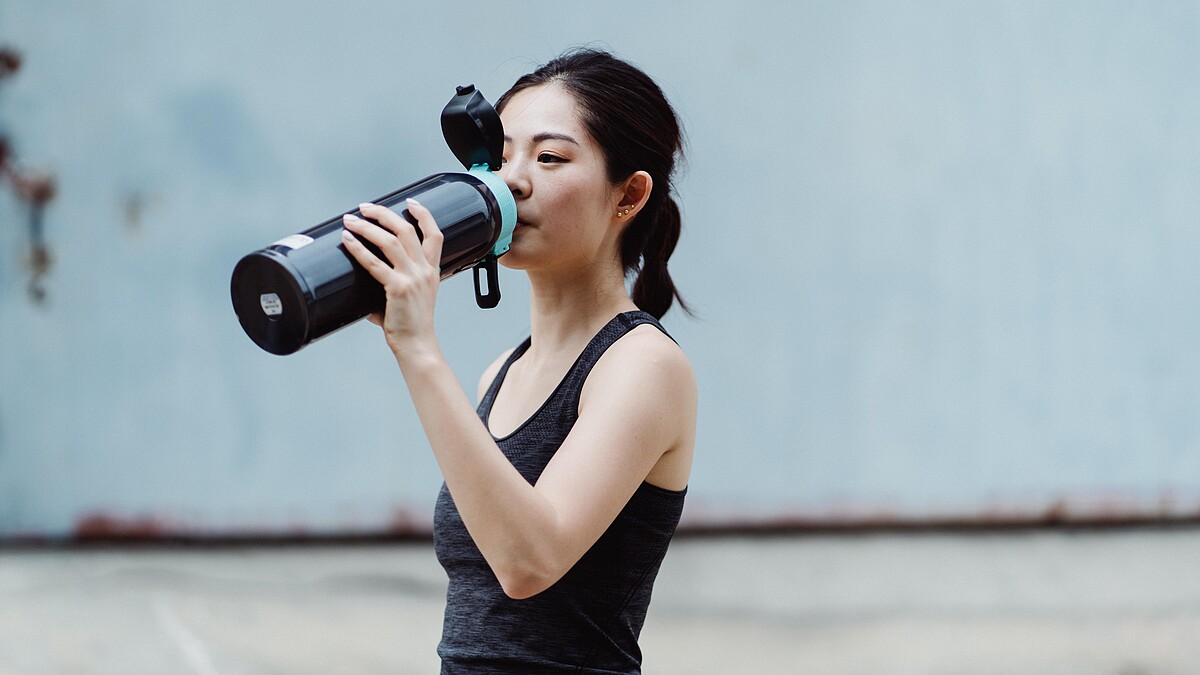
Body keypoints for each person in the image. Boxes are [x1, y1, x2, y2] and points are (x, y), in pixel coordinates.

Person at [340, 48, 696, 674]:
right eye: (499, 157)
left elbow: (529, 561)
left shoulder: (642, 365)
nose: (512, 181)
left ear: (628, 196)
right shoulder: (500, 373)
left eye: (549, 157)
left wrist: (418, 348)